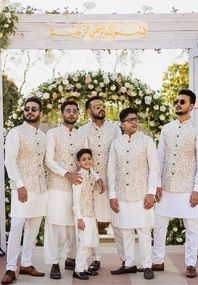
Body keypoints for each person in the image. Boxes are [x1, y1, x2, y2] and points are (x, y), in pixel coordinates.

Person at [152, 89, 198, 278]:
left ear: (191, 106)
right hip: (166, 186)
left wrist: (197, 189)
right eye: (176, 101)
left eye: (182, 102)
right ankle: (158, 260)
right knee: (159, 224)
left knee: (191, 227)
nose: (178, 104)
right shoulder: (166, 129)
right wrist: (157, 184)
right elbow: (160, 158)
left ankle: (190, 264)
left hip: (187, 187)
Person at [44, 100, 102, 279]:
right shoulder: (53, 134)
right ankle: (54, 263)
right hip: (58, 186)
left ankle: (71, 258)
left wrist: (97, 176)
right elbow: (48, 160)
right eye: (68, 111)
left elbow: (86, 159)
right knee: (56, 226)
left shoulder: (81, 136)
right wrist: (66, 173)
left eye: (74, 111)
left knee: (73, 226)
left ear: (78, 114)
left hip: (78, 188)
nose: (71, 114)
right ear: (62, 114)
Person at [107, 107, 159, 280]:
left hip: (142, 194)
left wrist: (151, 192)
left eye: (136, 119)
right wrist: (112, 195)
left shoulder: (147, 141)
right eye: (130, 120)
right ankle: (129, 264)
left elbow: (154, 169)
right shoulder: (116, 144)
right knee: (125, 231)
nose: (134, 122)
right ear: (122, 124)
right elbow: (111, 170)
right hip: (122, 195)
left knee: (144, 231)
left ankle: (147, 266)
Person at [1, 97, 47, 285]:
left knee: (33, 228)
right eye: (27, 109)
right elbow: (9, 160)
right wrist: (19, 184)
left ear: (40, 113)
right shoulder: (15, 133)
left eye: (34, 109)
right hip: (22, 188)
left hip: (40, 189)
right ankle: (11, 268)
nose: (30, 111)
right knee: (17, 227)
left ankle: (26, 263)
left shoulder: (44, 137)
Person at [78, 96, 125, 272]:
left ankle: (125, 260)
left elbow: (121, 154)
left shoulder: (114, 129)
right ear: (89, 111)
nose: (100, 109)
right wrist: (96, 176)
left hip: (114, 183)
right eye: (96, 107)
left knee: (118, 221)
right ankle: (96, 258)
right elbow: (83, 157)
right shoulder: (82, 131)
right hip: (93, 184)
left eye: (102, 106)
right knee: (94, 222)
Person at [72, 148, 100, 280]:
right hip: (82, 215)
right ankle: (78, 270)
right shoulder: (79, 177)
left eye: (89, 159)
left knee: (91, 242)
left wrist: (98, 178)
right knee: (84, 243)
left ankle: (83, 267)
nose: (87, 161)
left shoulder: (91, 175)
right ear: (78, 162)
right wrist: (79, 219)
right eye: (83, 159)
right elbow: (75, 200)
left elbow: (94, 175)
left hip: (91, 214)